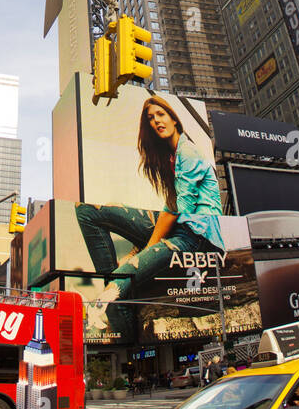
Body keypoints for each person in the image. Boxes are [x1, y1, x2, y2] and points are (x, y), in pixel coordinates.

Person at [76, 97, 223, 338]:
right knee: (87, 209)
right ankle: (112, 289)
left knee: (118, 282)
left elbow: (177, 209)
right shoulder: (171, 155)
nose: (156, 121)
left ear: (174, 118)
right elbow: (171, 210)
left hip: (198, 238)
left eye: (160, 114)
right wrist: (138, 250)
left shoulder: (188, 152)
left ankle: (111, 313)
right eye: (150, 118)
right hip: (176, 227)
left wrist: (145, 249)